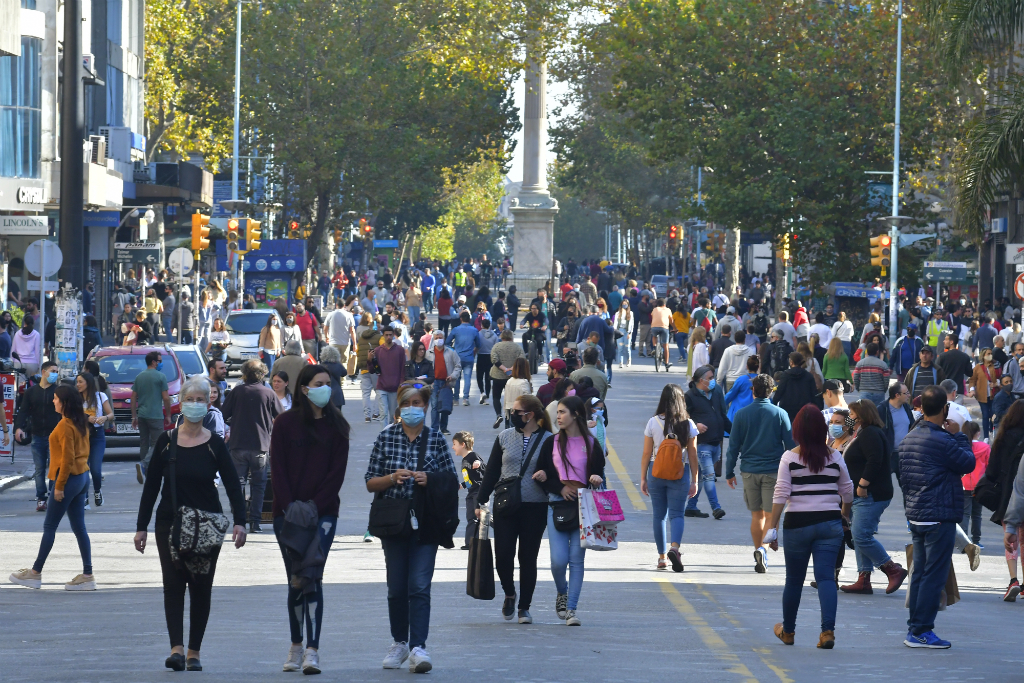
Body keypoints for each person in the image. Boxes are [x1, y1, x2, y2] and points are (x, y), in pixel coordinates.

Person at [132, 376, 247, 671]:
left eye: (201, 399)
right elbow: (151, 487)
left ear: (209, 404)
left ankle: (194, 651)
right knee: (173, 585)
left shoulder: (215, 445)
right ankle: (176, 650)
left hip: (206, 524)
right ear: (180, 402)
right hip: (169, 523)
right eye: (190, 399)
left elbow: (233, 485)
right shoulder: (166, 441)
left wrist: (241, 522)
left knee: (200, 586)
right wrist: (141, 526)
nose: (195, 404)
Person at [365, 384, 458, 673]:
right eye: (406, 403)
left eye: (417, 403)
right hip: (394, 522)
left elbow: (452, 481)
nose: (412, 408)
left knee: (418, 585)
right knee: (396, 587)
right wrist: (392, 477)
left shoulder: (436, 440)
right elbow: (370, 481)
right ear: (399, 409)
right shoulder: (386, 437)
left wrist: (429, 478)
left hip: (425, 523)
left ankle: (418, 645)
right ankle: (399, 643)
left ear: (426, 407)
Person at [270, 364, 350, 674]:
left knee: (312, 575)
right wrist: (291, 506)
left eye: (328, 383)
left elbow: (336, 474)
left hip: (324, 513)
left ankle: (312, 650)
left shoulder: (337, 426)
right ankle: (295, 644)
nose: (325, 388)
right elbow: (277, 469)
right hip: (286, 514)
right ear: (304, 388)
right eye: (319, 383)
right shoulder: (285, 424)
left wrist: (315, 507)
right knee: (295, 578)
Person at [766, 405, 852, 649]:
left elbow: (781, 494)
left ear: (798, 431)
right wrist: (843, 516)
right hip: (829, 523)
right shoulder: (835, 456)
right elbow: (847, 490)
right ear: (823, 429)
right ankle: (827, 632)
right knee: (826, 578)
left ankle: (789, 631)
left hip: (798, 525)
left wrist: (772, 528)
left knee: (794, 580)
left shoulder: (789, 458)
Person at [898, 385, 975, 649]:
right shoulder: (944, 440)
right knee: (933, 575)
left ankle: (914, 628)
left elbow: (904, 478)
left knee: (920, 572)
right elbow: (967, 464)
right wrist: (960, 437)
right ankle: (921, 630)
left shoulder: (909, 438)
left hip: (917, 514)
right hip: (938, 515)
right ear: (944, 409)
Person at [8, 384, 94, 591]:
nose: (53, 401)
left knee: (50, 526)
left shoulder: (66, 425)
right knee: (79, 527)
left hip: (68, 478)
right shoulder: (80, 420)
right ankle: (88, 574)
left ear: (64, 403)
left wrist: (59, 486)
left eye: (56, 399)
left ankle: (35, 573)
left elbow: (67, 458)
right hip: (82, 476)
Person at [475, 396, 552, 622]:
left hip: (535, 506)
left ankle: (524, 607)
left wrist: (547, 474)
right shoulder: (504, 437)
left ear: (530, 415)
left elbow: (557, 470)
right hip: (506, 505)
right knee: (503, 556)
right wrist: (481, 501)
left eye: (516, 411)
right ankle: (510, 593)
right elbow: (491, 472)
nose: (512, 415)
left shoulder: (550, 440)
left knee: (528, 558)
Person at [533, 395, 606, 626]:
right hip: (557, 503)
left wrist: (595, 479)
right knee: (557, 561)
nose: (558, 416)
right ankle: (561, 592)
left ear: (575, 415)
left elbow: (599, 475)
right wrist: (558, 486)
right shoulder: (551, 442)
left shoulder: (592, 444)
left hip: (584, 507)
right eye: (557, 412)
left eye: (563, 412)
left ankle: (571, 609)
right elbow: (540, 474)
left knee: (576, 560)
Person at [838, 400, 908, 595]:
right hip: (863, 494)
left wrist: (862, 484)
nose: (849, 418)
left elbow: (874, 460)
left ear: (861, 416)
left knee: (861, 535)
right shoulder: (862, 433)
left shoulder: (870, 433)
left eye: (851, 415)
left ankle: (892, 569)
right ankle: (863, 579)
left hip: (871, 494)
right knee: (860, 535)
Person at [726, 374, 795, 573]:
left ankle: (759, 550)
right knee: (771, 516)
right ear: (772, 391)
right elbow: (790, 445)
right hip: (774, 471)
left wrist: (729, 471)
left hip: (749, 470)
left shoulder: (741, 414)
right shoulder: (780, 413)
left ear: (752, 390)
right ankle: (763, 552)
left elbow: (733, 447)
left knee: (757, 516)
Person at [640, 384, 700, 571]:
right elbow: (693, 455)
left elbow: (646, 453)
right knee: (676, 514)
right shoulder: (688, 424)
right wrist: (695, 480)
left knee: (659, 516)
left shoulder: (653, 422)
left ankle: (661, 557)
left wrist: (643, 478)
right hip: (679, 473)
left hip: (656, 473)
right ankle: (675, 547)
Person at [221, 359, 282, 534]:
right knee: (259, 485)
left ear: (244, 374)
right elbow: (281, 416)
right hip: (260, 445)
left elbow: (223, 414)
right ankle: (255, 522)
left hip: (238, 445)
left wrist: (236, 421)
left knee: (238, 484)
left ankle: (239, 520)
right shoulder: (268, 393)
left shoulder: (237, 392)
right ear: (262, 374)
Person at [984, 400, 1024, 601]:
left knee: (1010, 536)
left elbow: (991, 470)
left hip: (1008, 492)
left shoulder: (1003, 437)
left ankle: (1013, 580)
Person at [683, 365, 730, 518]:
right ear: (700, 380)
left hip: (717, 442)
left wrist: (736, 433)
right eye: (710, 378)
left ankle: (691, 506)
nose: (713, 381)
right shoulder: (690, 396)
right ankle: (716, 508)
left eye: (713, 378)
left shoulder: (716, 392)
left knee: (703, 476)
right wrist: (695, 424)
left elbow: (723, 414)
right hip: (701, 443)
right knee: (709, 475)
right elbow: (683, 417)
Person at [15, 359, 60, 511]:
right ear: (43, 372)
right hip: (37, 435)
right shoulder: (31, 392)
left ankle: (54, 496)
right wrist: (18, 428)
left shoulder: (58, 391)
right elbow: (23, 411)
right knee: (39, 469)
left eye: (56, 372)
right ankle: (41, 498)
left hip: (55, 436)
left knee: (54, 468)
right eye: (53, 371)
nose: (55, 374)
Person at [132, 351, 172, 482]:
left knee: (144, 442)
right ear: (154, 362)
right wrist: (168, 414)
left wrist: (134, 416)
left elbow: (133, 398)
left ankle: (146, 471)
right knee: (158, 442)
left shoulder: (139, 376)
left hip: (142, 415)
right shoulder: (161, 376)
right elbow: (166, 398)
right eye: (159, 361)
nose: (161, 363)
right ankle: (145, 463)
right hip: (155, 415)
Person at [77, 372, 113, 507]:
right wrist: (86, 418)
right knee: (83, 468)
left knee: (96, 469)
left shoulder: (100, 396)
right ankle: (84, 497)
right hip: (81, 435)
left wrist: (105, 417)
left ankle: (97, 491)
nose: (78, 385)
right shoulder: (76, 398)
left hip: (97, 435)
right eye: (77, 382)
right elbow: (72, 414)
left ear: (88, 383)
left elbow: (111, 414)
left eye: (81, 382)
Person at [452, 432, 484, 550]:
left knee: (478, 517)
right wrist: (462, 485)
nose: (453, 447)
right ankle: (470, 543)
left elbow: (486, 469)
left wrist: (479, 463)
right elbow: (470, 480)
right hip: (471, 492)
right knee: (471, 517)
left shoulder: (473, 456)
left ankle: (473, 543)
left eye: (454, 444)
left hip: (478, 492)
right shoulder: (464, 460)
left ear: (463, 445)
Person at [426, 330, 461, 434]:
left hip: (446, 382)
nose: (438, 340)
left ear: (444, 338)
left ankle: (444, 427)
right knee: (435, 406)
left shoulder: (451, 352)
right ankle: (434, 428)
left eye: (440, 337)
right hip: (434, 382)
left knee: (445, 405)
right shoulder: (429, 353)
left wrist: (453, 376)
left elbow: (458, 366)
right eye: (436, 338)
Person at [488, 329, 525, 428]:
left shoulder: (496, 346)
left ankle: (498, 414)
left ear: (502, 336)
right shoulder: (517, 347)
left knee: (496, 397)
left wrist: (504, 369)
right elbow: (522, 359)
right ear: (511, 337)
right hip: (512, 377)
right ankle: (508, 421)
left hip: (497, 376)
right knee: (509, 400)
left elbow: (494, 359)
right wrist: (512, 369)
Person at [960, 421, 988, 547]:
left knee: (965, 513)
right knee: (977, 515)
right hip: (979, 484)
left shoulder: (961, 447)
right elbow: (989, 466)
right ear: (978, 433)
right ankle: (976, 540)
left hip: (964, 483)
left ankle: (964, 541)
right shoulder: (985, 448)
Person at [376, 326, 409, 425]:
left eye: (390, 335)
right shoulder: (378, 350)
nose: (388, 337)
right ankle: (384, 437)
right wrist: (369, 360)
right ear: (383, 336)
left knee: (394, 416)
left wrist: (401, 384)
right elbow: (373, 370)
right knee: (383, 414)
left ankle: (391, 435)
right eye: (386, 335)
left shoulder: (399, 350)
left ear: (393, 335)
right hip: (381, 386)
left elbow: (403, 368)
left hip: (395, 388)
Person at [447, 311, 481, 406]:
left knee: (456, 377)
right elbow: (478, 344)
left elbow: (447, 342)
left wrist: (452, 351)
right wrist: (474, 352)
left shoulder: (456, 329)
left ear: (460, 319)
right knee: (467, 378)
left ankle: (456, 399)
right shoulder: (474, 330)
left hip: (457, 357)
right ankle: (465, 398)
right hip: (469, 357)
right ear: (470, 319)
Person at [773, 352, 819, 423]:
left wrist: (774, 403)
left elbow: (780, 391)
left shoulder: (785, 375)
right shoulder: (808, 376)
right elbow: (814, 394)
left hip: (787, 409)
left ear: (791, 362)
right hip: (804, 409)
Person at [968, 347, 1001, 439]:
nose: (990, 355)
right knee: (986, 415)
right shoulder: (978, 367)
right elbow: (972, 380)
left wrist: (996, 384)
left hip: (994, 395)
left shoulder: (996, 365)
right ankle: (986, 436)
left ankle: (991, 429)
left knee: (993, 414)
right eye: (988, 354)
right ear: (983, 355)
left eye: (991, 353)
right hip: (982, 395)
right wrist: (972, 390)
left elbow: (1001, 378)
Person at [724, 356, 760, 422]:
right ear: (758, 367)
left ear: (747, 366)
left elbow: (730, 395)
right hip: (755, 415)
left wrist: (720, 405)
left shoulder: (741, 380)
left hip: (738, 414)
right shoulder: (761, 380)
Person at [477, 319, 498, 405]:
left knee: (479, 377)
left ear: (482, 325)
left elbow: (476, 344)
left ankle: (482, 392)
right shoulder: (494, 335)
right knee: (488, 378)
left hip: (481, 356)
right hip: (490, 357)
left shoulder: (478, 334)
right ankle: (487, 398)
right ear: (489, 325)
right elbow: (496, 347)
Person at [648, 298, 673, 368]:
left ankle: (655, 347)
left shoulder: (655, 309)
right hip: (664, 327)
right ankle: (667, 363)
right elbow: (671, 321)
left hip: (654, 327)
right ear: (664, 304)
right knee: (666, 346)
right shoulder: (668, 310)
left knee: (654, 336)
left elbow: (653, 317)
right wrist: (675, 328)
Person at [613, 299, 634, 367]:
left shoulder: (630, 313)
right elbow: (615, 323)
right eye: (623, 303)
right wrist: (615, 331)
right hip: (620, 331)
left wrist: (630, 333)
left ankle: (629, 360)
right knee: (620, 348)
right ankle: (620, 362)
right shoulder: (618, 313)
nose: (624, 305)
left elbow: (631, 323)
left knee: (627, 347)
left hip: (627, 331)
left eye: (626, 304)